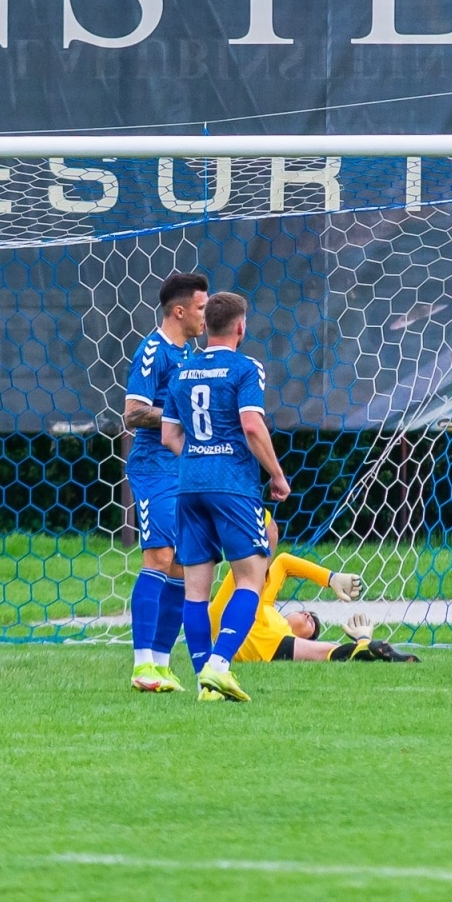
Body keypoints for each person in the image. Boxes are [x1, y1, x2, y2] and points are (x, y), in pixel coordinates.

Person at [164, 291, 290, 702]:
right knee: (251, 579)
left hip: (189, 486)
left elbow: (169, 435)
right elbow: (252, 426)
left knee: (196, 590)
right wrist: (276, 473)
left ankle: (206, 681)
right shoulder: (244, 368)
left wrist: (200, 460)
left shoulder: (182, 371)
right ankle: (219, 667)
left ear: (207, 325)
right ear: (240, 326)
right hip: (233, 487)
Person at [122, 271, 208, 692]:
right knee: (157, 558)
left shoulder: (190, 355)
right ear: (179, 311)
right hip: (153, 468)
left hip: (183, 469)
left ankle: (160, 663)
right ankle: (141, 665)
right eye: (200, 308)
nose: (204, 316)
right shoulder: (153, 350)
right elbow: (133, 413)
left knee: (180, 565)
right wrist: (175, 417)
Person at [207, 513, 416, 663]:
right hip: (226, 614)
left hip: (260, 643)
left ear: (303, 638)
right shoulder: (267, 605)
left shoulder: (284, 636)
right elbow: (283, 562)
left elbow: (322, 650)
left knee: (329, 652)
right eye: (306, 613)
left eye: (312, 625)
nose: (308, 615)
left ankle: (365, 646)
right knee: (268, 526)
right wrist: (331, 578)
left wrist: (362, 637)